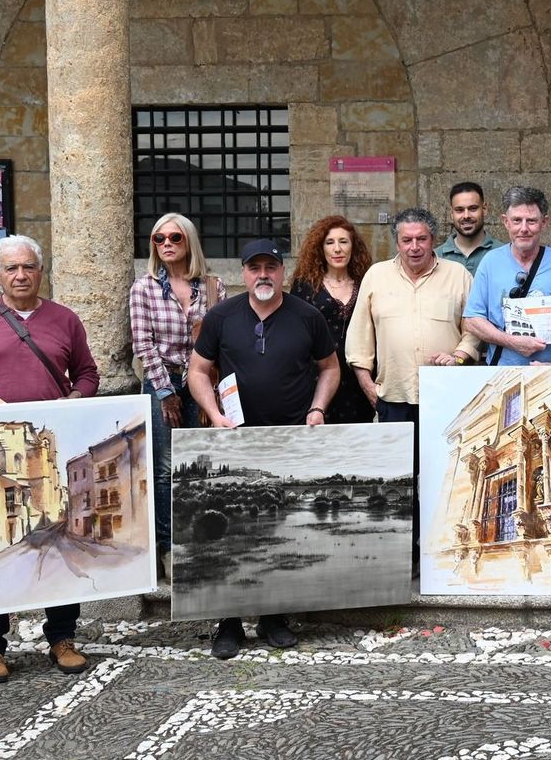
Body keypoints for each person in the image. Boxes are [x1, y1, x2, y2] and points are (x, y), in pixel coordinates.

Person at [0, 234, 99, 684]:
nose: (21, 275)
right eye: (11, 268)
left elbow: (87, 374)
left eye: (28, 267)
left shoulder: (65, 320)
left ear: (41, 271)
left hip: (41, 448)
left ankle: (62, 638)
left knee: (55, 547)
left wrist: (75, 399)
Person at [188, 238, 338, 659]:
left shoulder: (307, 316)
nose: (263, 275)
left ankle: (273, 616)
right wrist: (213, 413)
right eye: (255, 268)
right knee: (231, 536)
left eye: (270, 267)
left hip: (290, 439)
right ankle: (229, 622)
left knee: (278, 532)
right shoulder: (221, 317)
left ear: (282, 271)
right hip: (236, 440)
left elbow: (330, 368)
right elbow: (197, 370)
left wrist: (318, 409)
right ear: (244, 274)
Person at [344, 207, 480, 566]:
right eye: (407, 240)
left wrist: (459, 356)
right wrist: (369, 388)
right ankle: (406, 556)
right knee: (400, 481)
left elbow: (474, 329)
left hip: (445, 399)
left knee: (445, 477)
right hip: (394, 397)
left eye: (422, 239)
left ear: (433, 240)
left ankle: (442, 557)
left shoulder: (458, 276)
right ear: (397, 242)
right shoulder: (376, 277)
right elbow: (359, 340)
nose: (415, 247)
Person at [128, 213, 226, 562]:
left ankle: (200, 540)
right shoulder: (144, 288)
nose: (166, 244)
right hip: (162, 379)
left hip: (202, 381)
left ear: (189, 241)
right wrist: (165, 393)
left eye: (174, 237)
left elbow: (220, 342)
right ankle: (169, 547)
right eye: (159, 238)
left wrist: (210, 392)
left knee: (200, 462)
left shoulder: (212, 287)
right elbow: (143, 344)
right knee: (165, 467)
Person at [463, 185, 551, 365]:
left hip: (550, 373)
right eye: (517, 220)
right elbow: (472, 320)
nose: (523, 228)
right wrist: (512, 342)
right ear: (506, 222)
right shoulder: (490, 262)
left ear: (544, 222)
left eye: (531, 221)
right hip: (501, 372)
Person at [289, 214, 375, 424]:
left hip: (358, 377)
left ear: (353, 247)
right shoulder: (305, 286)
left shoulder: (367, 283)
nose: (337, 249)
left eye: (343, 241)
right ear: (321, 248)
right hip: (318, 377)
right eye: (330, 242)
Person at [436, 181, 501, 276]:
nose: (466, 216)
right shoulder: (436, 258)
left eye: (473, 208)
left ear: (484, 209)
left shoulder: (503, 254)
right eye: (459, 210)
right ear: (452, 213)